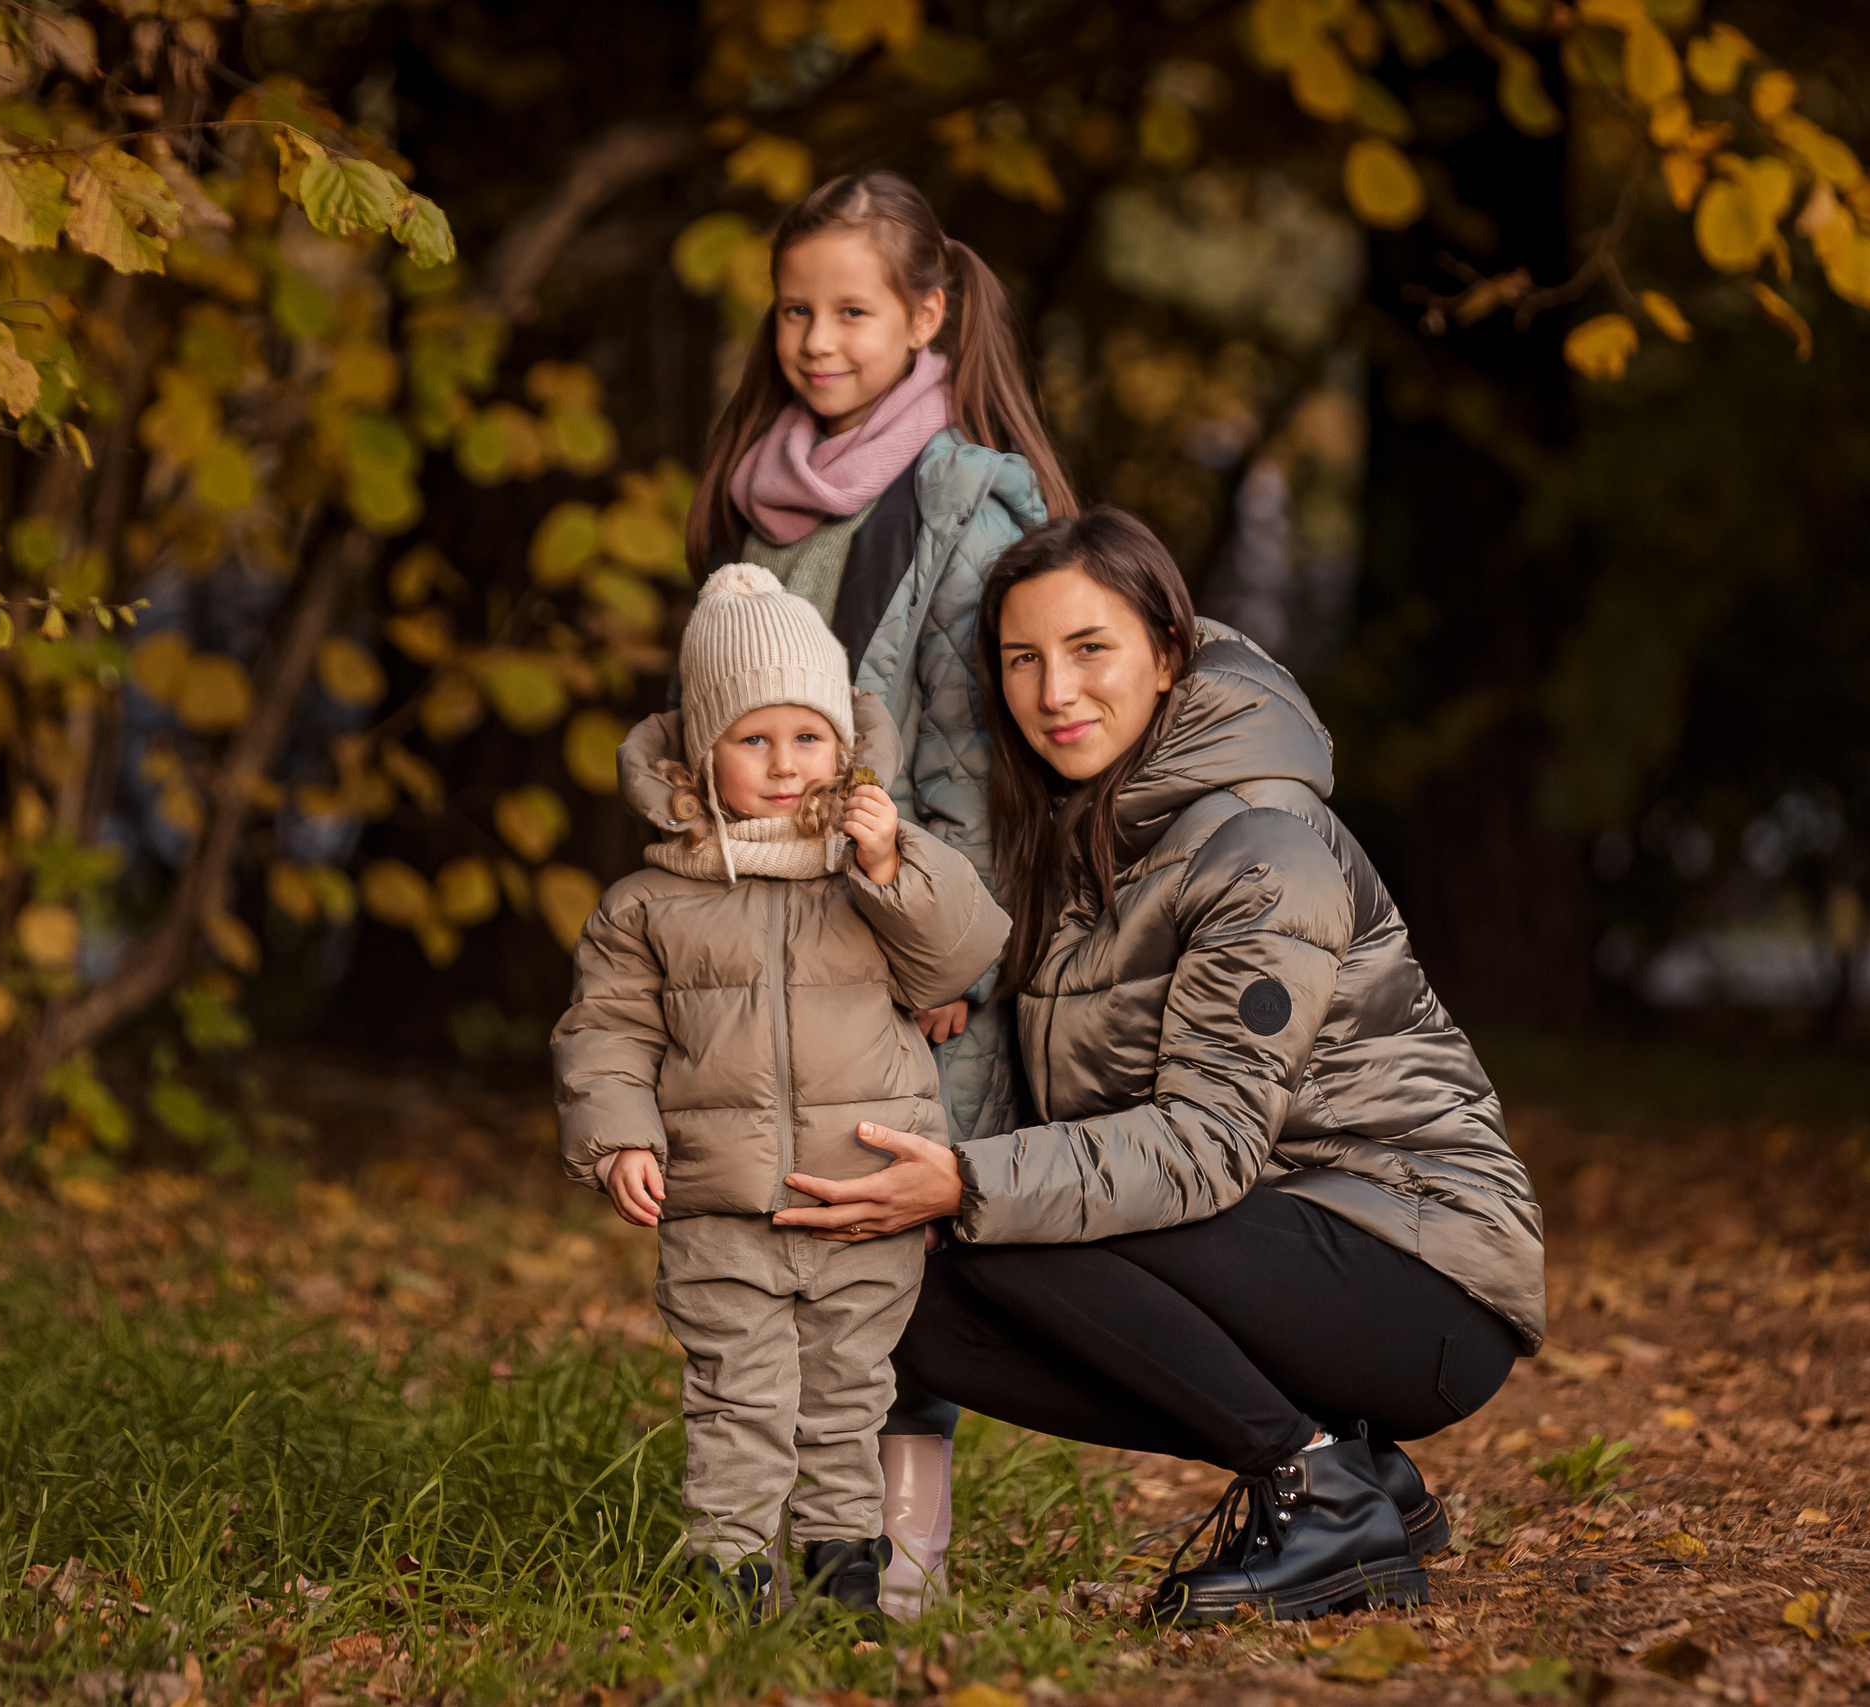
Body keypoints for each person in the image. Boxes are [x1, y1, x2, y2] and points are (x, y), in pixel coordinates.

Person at [772, 509, 1546, 1626]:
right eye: (1022, 659)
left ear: (1168, 655)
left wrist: (968, 1183)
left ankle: (1316, 1491)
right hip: (1283, 1241)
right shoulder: (1082, 834)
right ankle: (1363, 1479)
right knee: (919, 1303)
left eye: (1091, 650)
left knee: (1002, 1227)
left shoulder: (1262, 848)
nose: (1054, 693)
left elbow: (1204, 1143)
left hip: (1427, 1267)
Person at [683, 170, 1073, 1610]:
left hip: (902, 953)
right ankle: (761, 1543)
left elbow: (981, 765)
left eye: (853, 309)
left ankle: (894, 1575)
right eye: (796, 309)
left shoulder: (964, 509)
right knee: (761, 1239)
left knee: (887, 1260)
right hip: (765, 949)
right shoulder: (762, 495)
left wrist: (939, 958)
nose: (818, 338)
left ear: (929, 313)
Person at [552, 564, 1011, 1626]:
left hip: (862, 1199)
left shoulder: (872, 872)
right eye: (752, 740)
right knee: (738, 1396)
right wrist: (618, 1135)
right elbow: (605, 1031)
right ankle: (731, 1573)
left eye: (806, 739)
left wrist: (895, 862)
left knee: (851, 1394)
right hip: (718, 1208)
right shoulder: (648, 904)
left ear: (843, 750)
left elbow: (959, 963)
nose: (782, 763)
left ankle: (843, 1566)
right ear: (701, 755)